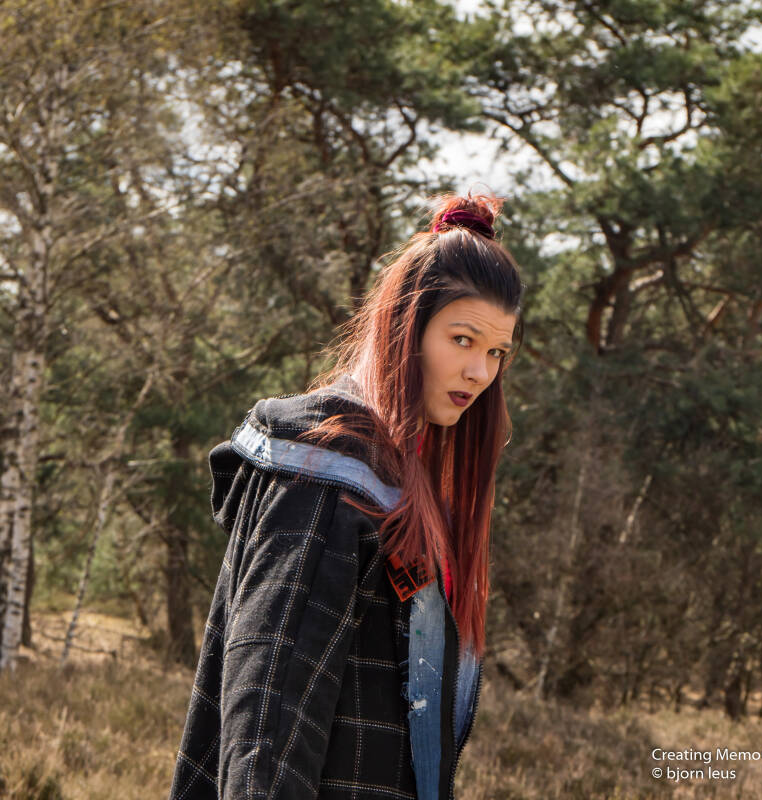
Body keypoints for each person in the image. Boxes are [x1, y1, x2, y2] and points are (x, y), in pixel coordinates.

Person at [168, 191, 524, 800]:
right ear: (405, 326)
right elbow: (268, 727)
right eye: (463, 340)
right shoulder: (325, 478)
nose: (480, 373)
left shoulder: (395, 475)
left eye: (496, 352)